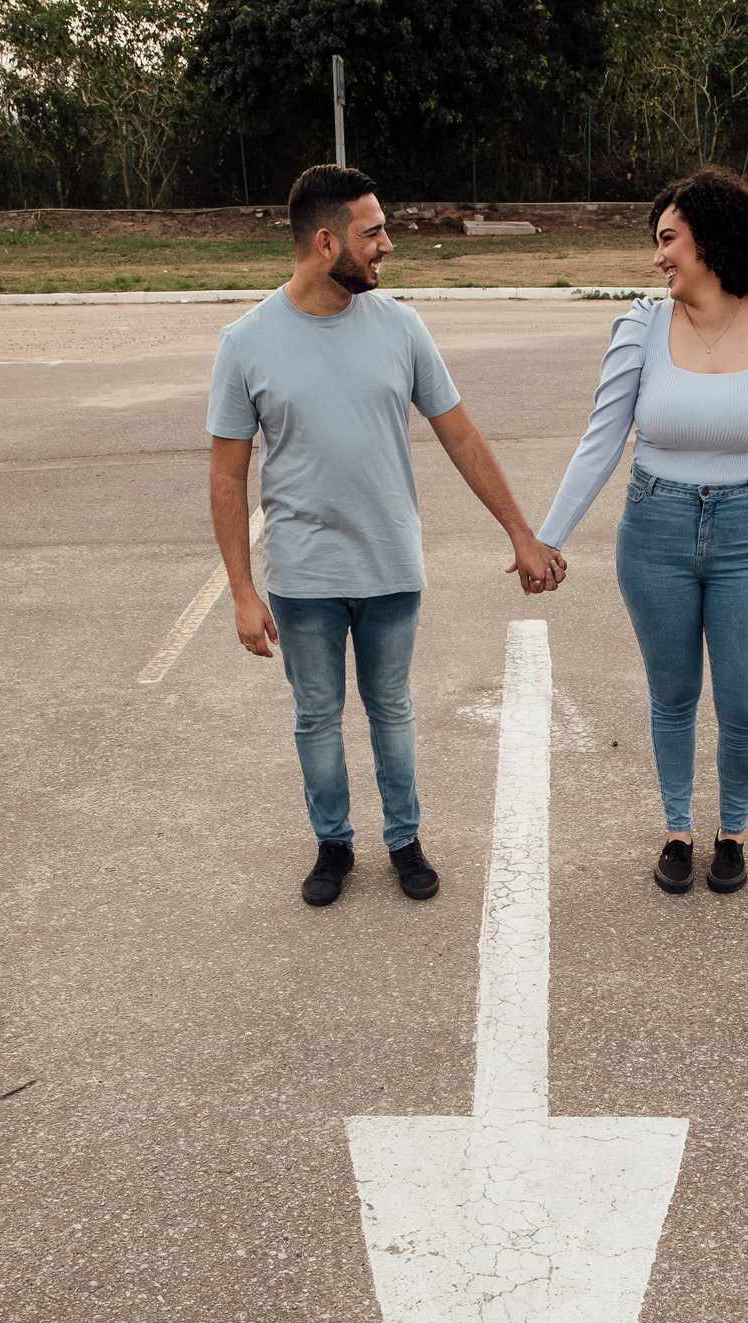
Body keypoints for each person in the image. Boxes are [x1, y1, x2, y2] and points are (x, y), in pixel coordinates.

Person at [207, 163, 565, 908]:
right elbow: (227, 474)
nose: (388, 245)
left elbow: (460, 435)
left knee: (392, 710)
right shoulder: (246, 342)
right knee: (316, 717)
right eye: (373, 232)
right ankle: (333, 844)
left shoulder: (402, 327)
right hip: (303, 575)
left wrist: (521, 532)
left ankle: (404, 840)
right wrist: (242, 591)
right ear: (325, 241)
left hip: (390, 565)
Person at [539, 166, 748, 895]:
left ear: (710, 238)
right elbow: (602, 440)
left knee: (746, 703)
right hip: (655, 530)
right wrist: (548, 537)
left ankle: (732, 832)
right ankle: (677, 830)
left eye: (669, 239)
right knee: (672, 694)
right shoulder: (642, 325)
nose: (659, 255)